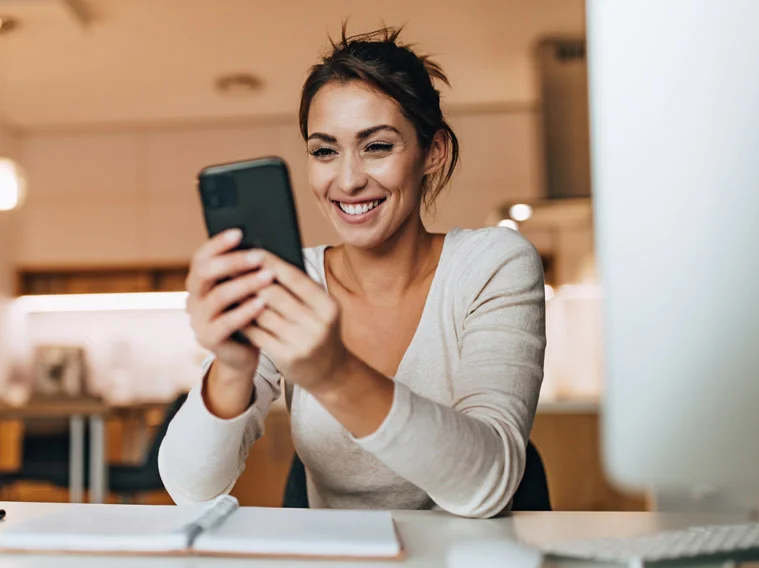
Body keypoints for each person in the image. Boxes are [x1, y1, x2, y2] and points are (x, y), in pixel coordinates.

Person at [158, 26, 546, 518]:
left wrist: (333, 372)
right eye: (325, 151)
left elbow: (487, 487)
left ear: (434, 153)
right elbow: (190, 490)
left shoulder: (493, 264)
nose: (347, 180)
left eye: (377, 146)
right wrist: (233, 366)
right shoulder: (289, 278)